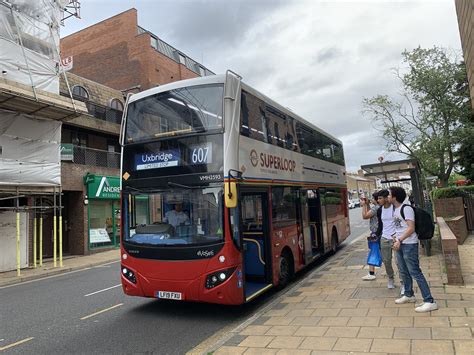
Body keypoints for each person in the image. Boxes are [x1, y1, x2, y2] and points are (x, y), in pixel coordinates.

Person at [389, 186, 438, 313]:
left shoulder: (407, 209)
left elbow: (411, 228)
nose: (388, 197)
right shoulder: (396, 209)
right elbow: (400, 227)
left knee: (415, 272)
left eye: (389, 194)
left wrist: (400, 240)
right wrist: (395, 237)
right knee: (403, 271)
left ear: (395, 196)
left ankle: (429, 301)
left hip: (409, 244)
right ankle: (409, 294)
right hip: (400, 244)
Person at [375, 189, 402, 291]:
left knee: (399, 261)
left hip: (396, 238)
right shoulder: (380, 210)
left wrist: (399, 235)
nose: (378, 200)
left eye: (380, 198)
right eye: (378, 198)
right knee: (386, 261)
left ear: (386, 198)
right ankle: (390, 277)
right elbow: (380, 225)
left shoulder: (395, 208)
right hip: (384, 238)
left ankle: (403, 282)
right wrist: (376, 235)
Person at [361, 191, 381, 280]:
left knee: (373, 252)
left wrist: (363, 205)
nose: (371, 199)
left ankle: (371, 273)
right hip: (380, 232)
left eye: (373, 198)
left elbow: (365, 216)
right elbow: (370, 212)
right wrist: (367, 204)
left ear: (376, 200)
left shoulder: (376, 208)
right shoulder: (378, 207)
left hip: (375, 233)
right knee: (377, 251)